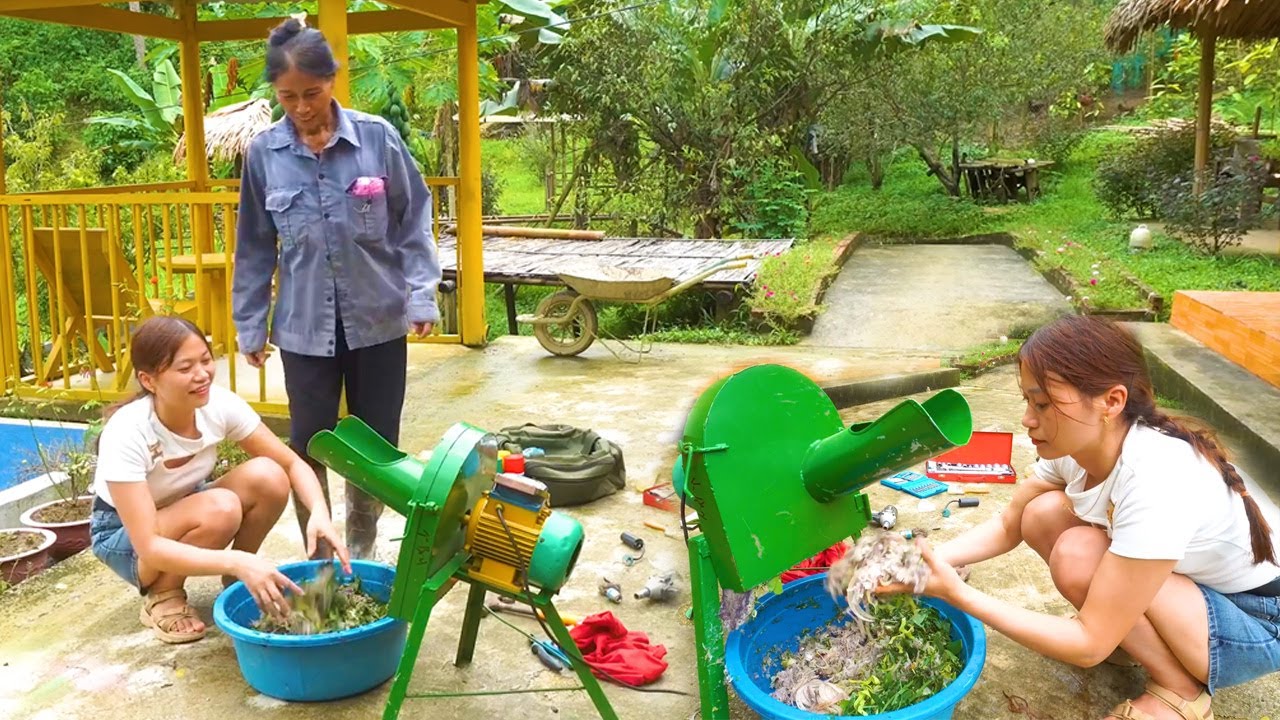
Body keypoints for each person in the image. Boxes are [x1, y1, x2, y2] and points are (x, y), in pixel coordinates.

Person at [883, 316, 1280, 720]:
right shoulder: (1078, 450)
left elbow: (1088, 645)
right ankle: (1132, 640)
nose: (1027, 419)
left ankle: (1181, 691)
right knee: (1040, 514)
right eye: (1026, 400)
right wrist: (920, 560)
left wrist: (957, 593)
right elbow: (1009, 525)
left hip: (1255, 621)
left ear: (1111, 401)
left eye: (1043, 404)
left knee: (1079, 553)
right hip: (1194, 592)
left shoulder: (1155, 476)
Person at [233, 16, 442, 560]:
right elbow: (255, 245)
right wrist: (250, 323)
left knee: (374, 446)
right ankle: (320, 553)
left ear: (333, 80)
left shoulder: (377, 138)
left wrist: (422, 293)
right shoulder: (264, 154)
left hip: (378, 319)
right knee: (310, 444)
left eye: (312, 92)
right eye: (288, 96)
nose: (302, 107)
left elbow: (414, 219)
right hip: (303, 330)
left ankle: (363, 547)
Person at [90, 316, 351, 645]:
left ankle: (237, 582)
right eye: (185, 368)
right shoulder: (128, 431)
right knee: (221, 508)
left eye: (205, 360)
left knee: (269, 475)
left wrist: (319, 513)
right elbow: (150, 547)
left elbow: (291, 464)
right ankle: (164, 595)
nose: (201, 375)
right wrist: (238, 559)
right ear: (149, 380)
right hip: (124, 537)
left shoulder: (218, 404)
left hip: (186, 505)